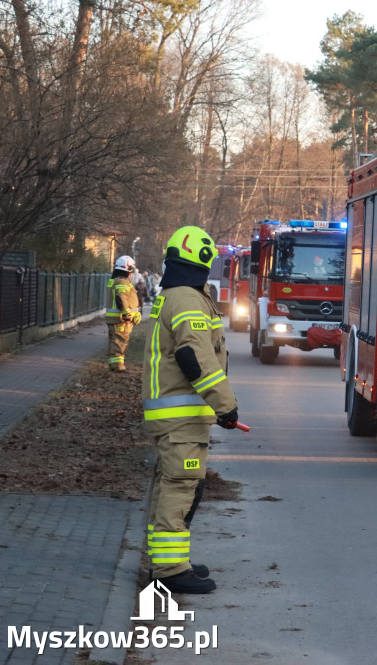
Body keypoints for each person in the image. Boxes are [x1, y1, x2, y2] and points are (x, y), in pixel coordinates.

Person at [143, 225, 240, 594]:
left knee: (177, 487)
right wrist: (226, 406)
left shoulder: (176, 294)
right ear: (203, 259)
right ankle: (170, 571)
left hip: (176, 416)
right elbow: (195, 356)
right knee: (181, 487)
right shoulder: (186, 298)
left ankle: (170, 560)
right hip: (180, 418)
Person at [105, 255, 141, 371]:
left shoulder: (115, 280)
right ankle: (118, 367)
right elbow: (121, 298)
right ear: (129, 269)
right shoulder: (122, 281)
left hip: (115, 319)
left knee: (114, 342)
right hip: (121, 320)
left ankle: (113, 365)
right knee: (120, 342)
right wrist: (127, 314)